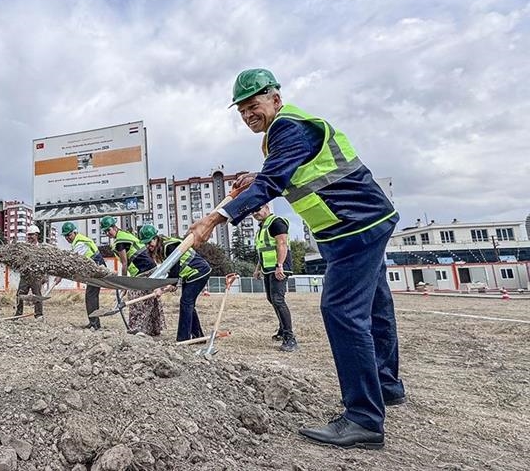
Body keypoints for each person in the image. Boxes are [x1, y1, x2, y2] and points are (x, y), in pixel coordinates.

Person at [188, 68, 403, 449]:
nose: (247, 115)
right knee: (375, 306)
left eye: (253, 105)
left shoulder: (287, 127)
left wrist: (214, 217)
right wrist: (257, 175)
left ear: (274, 97)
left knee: (342, 311)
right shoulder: (286, 132)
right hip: (361, 221)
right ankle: (386, 386)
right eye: (241, 110)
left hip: (353, 226)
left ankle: (364, 419)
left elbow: (274, 184)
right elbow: (284, 174)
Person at [140, 224, 211, 341]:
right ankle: (198, 336)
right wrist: (160, 287)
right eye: (146, 243)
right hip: (190, 275)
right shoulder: (161, 248)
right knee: (188, 304)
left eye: (149, 242)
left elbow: (175, 266)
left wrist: (172, 284)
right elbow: (166, 270)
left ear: (155, 238)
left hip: (199, 271)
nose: (148, 246)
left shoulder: (169, 246)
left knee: (186, 302)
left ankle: (183, 338)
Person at [101, 216, 165, 335]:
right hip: (151, 268)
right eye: (104, 231)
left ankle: (138, 329)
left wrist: (125, 284)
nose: (107, 233)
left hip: (143, 271)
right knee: (151, 298)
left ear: (115, 227)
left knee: (136, 300)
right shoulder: (125, 235)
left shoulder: (120, 242)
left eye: (108, 230)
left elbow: (124, 263)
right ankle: (154, 329)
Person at [252, 204, 298, 352]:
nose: (255, 213)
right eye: (253, 212)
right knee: (272, 299)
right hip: (268, 268)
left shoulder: (276, 223)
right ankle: (282, 329)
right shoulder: (262, 228)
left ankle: (290, 338)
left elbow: (282, 244)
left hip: (279, 268)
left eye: (257, 210)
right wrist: (258, 269)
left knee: (278, 299)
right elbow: (264, 250)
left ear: (266, 208)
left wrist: (280, 265)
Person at [56, 222, 105, 330]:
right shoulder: (77, 242)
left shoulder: (79, 243)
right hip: (93, 270)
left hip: (97, 269)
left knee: (91, 296)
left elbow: (74, 262)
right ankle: (94, 322)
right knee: (92, 296)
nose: (67, 238)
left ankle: (94, 324)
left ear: (74, 232)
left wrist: (61, 275)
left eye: (69, 235)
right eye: (65, 236)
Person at [15, 225, 44, 319]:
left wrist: (44, 276)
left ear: (36, 235)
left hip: (36, 275)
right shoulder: (25, 248)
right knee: (20, 294)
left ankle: (38, 314)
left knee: (37, 295)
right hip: (25, 275)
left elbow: (45, 263)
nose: (30, 237)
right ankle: (18, 314)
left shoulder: (42, 249)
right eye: (28, 235)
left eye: (32, 235)